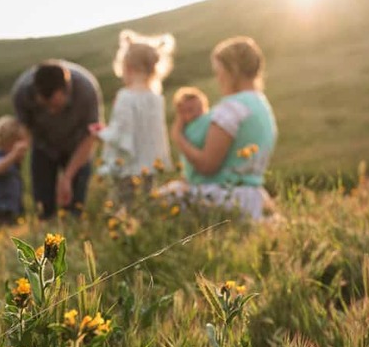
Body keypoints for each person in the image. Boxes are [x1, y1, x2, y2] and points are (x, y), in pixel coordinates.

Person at [170, 36, 278, 220]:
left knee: (157, 202)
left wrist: (178, 137)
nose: (218, 78)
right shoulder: (261, 105)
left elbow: (207, 165)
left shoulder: (231, 108)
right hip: (254, 198)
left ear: (232, 71)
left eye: (218, 71)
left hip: (224, 197)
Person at [90, 30, 175, 203]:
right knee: (146, 204)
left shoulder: (125, 97)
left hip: (127, 167)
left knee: (123, 207)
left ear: (126, 67)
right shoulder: (156, 99)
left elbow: (121, 135)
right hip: (150, 165)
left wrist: (100, 133)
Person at [11, 59, 103, 219]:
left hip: (78, 145)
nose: (52, 112)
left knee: (75, 206)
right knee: (43, 206)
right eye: (45, 106)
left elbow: (91, 136)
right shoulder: (22, 92)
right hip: (43, 147)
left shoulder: (86, 89)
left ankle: (73, 234)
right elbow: (24, 128)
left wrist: (67, 178)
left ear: (67, 90)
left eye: (56, 106)